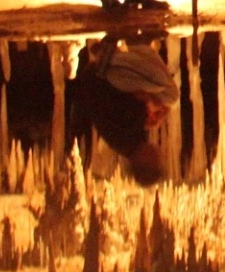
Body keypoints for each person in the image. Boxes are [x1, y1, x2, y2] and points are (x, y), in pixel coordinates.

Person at [69, 31, 175, 185]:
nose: (160, 155)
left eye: (157, 161)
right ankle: (133, 46)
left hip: (101, 76)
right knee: (165, 95)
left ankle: (133, 45)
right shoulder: (132, 142)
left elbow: (131, 97)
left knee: (170, 94)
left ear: (144, 161)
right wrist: (155, 113)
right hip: (103, 79)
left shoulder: (125, 135)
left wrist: (154, 102)